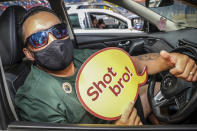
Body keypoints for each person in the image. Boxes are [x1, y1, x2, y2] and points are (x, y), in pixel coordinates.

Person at [15, 6, 197, 125]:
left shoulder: (82, 57)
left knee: (159, 89)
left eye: (58, 31)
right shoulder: (34, 99)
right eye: (39, 39)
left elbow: (135, 64)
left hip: (125, 109)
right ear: (29, 53)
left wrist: (171, 60)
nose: (54, 40)